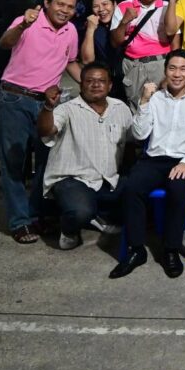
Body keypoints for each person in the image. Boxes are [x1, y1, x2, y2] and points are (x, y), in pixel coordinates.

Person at [110, 49, 185, 280]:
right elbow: (139, 134)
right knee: (132, 187)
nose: (177, 74)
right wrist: (144, 102)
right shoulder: (154, 98)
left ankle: (170, 250)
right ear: (165, 70)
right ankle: (137, 250)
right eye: (172, 68)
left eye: (183, 69)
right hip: (154, 158)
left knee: (177, 189)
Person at [0, 0, 82, 244]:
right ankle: (19, 222)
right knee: (14, 161)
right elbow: (5, 43)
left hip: (47, 104)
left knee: (46, 163)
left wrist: (91, 87)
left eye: (70, 7)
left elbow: (71, 61)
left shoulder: (71, 31)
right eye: (60, 4)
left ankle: (35, 216)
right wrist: (23, 24)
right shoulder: (28, 21)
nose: (65, 10)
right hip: (15, 97)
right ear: (47, 3)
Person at [37, 62, 132, 250]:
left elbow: (129, 143)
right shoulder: (67, 109)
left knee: (139, 194)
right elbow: (46, 129)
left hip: (108, 179)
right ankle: (69, 229)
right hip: (72, 179)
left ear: (110, 86)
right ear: (81, 85)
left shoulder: (120, 108)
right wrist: (48, 107)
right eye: (90, 81)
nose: (96, 85)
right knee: (80, 211)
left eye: (101, 81)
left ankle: (99, 214)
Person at [111, 0, 175, 110]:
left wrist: (170, 71)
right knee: (136, 108)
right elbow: (115, 42)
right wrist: (124, 22)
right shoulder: (123, 6)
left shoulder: (168, 7)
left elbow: (175, 42)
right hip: (134, 66)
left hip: (161, 64)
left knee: (164, 109)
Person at [79, 0, 124, 101]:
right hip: (105, 84)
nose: (101, 9)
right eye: (96, 6)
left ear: (114, 4)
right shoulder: (92, 28)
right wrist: (90, 30)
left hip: (127, 80)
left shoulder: (125, 24)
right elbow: (87, 61)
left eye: (105, 4)